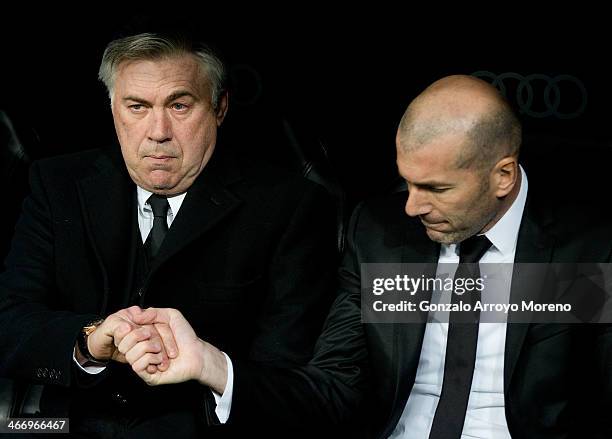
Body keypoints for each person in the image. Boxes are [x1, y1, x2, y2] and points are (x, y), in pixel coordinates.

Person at [0, 31, 339, 437]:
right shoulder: (58, 185)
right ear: (113, 110)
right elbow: (10, 321)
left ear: (220, 108)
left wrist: (211, 365)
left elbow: (290, 380)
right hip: (62, 426)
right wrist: (90, 341)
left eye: (179, 105)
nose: (157, 131)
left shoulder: (290, 207)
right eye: (137, 107)